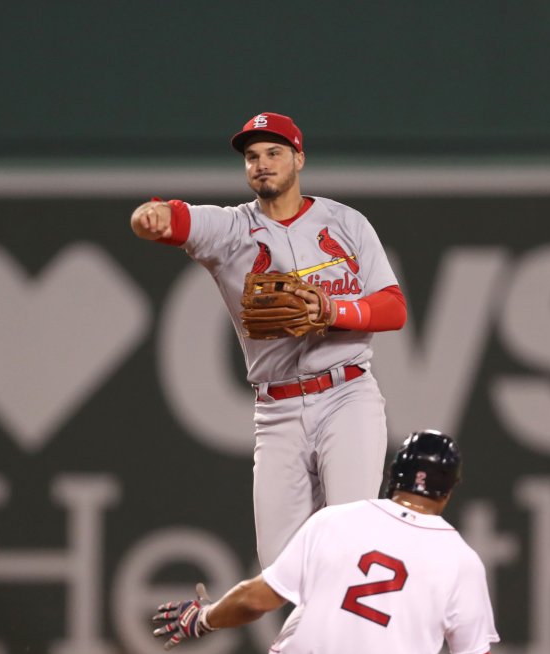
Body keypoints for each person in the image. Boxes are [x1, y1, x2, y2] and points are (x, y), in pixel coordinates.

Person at [152, 431, 550, 654]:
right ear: (449, 490)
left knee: (309, 596)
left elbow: (258, 598)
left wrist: (203, 618)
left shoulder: (337, 519)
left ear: (394, 475)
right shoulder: (461, 558)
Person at [130, 112, 407, 568]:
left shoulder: (346, 222)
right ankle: (304, 640)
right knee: (280, 569)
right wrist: (151, 216)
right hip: (276, 412)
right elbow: (173, 220)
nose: (262, 163)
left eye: (274, 153)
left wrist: (333, 311)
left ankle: (361, 638)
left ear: (299, 158)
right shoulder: (231, 230)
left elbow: (393, 308)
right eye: (252, 156)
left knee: (351, 542)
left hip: (347, 396)